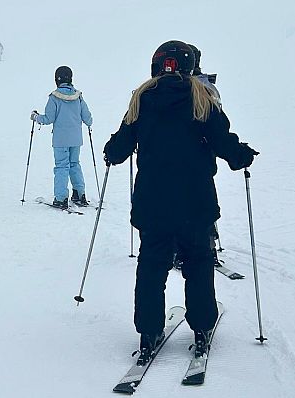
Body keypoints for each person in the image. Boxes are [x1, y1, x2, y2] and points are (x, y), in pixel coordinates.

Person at [102, 40, 258, 365]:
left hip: (153, 203)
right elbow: (223, 140)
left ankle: (148, 332)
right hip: (195, 202)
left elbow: (120, 147)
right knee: (198, 262)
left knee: (151, 266)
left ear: (156, 65)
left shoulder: (141, 99)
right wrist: (240, 155)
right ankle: (201, 327)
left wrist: (111, 150)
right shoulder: (202, 99)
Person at [30, 66, 93, 208]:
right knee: (75, 164)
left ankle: (61, 198)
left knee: (61, 167)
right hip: (76, 139)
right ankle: (79, 194)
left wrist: (35, 117)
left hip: (60, 140)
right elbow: (87, 118)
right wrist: (89, 123)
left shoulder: (54, 97)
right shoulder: (78, 96)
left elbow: (48, 119)